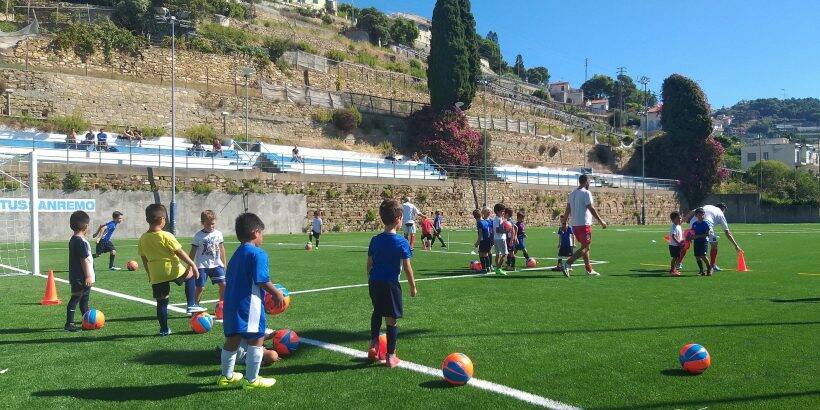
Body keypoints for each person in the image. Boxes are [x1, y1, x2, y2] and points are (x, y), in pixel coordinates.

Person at [218, 213, 286, 389]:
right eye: (262, 233)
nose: (262, 237)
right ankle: (252, 380)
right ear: (256, 232)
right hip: (249, 305)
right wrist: (277, 293)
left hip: (231, 305)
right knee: (256, 339)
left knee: (232, 339)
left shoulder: (236, 254)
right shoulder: (258, 253)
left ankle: (226, 376)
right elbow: (261, 280)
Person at [138, 204, 204, 336]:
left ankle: (164, 329)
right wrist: (192, 264)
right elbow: (179, 252)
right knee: (190, 276)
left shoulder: (143, 238)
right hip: (172, 269)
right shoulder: (166, 235)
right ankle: (191, 304)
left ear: (147, 220)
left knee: (162, 302)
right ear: (163, 219)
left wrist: (149, 274)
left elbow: (144, 259)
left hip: (156, 274)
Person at [366, 199, 417, 368]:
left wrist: (371, 279)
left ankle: (373, 343)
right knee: (391, 320)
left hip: (374, 282)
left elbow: (369, 264)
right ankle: (390, 356)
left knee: (377, 311)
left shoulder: (375, 240)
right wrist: (412, 286)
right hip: (391, 284)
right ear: (398, 219)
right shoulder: (402, 242)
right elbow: (408, 268)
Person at [561, 174, 608, 277]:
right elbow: (591, 208)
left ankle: (589, 270)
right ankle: (568, 263)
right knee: (586, 247)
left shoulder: (572, 193)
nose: (589, 183)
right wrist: (601, 221)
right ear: (586, 182)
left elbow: (567, 209)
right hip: (584, 224)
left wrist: (564, 223)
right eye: (589, 182)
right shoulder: (586, 193)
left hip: (575, 226)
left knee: (584, 246)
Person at [684, 203, 742, 272]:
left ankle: (678, 264)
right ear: (722, 209)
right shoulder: (720, 213)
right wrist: (736, 245)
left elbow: (694, 210)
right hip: (706, 225)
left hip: (693, 223)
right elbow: (727, 232)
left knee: (690, 242)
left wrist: (685, 219)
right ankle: (712, 265)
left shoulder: (709, 206)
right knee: (714, 245)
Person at [190, 210, 227, 310]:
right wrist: (190, 265)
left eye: (213, 223)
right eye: (208, 224)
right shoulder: (198, 236)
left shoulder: (219, 234)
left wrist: (224, 263)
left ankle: (221, 306)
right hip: (202, 266)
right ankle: (195, 306)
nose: (211, 226)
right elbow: (193, 251)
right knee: (200, 287)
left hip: (216, 264)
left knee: (223, 284)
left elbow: (222, 248)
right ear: (203, 223)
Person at [65, 210, 94, 332]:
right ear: (86, 226)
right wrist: (88, 276)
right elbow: (83, 260)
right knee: (76, 298)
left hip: (78, 276)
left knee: (84, 299)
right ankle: (69, 324)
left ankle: (86, 321)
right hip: (80, 277)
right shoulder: (80, 241)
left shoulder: (74, 239)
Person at [691, 208, 712, 276]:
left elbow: (707, 234)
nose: (701, 215)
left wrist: (697, 236)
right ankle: (701, 271)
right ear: (696, 215)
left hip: (703, 242)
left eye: (703, 214)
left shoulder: (705, 223)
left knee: (703, 256)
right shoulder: (694, 224)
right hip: (696, 242)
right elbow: (692, 233)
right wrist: (690, 237)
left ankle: (709, 269)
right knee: (697, 256)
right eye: (700, 214)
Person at [473, 209, 493, 273]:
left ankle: (484, 269)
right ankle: (488, 267)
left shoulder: (479, 223)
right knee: (485, 254)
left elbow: (480, 234)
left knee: (482, 254)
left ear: (475, 217)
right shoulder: (485, 221)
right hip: (488, 240)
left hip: (483, 241)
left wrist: (477, 242)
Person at [491, 203, 508, 276]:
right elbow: (498, 230)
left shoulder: (496, 219)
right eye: (502, 211)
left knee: (498, 254)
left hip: (496, 238)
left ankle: (497, 268)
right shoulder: (498, 220)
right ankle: (498, 268)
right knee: (505, 254)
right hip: (501, 239)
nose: (503, 212)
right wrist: (506, 230)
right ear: (498, 212)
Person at [668, 211, 684, 277]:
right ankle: (672, 270)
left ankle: (674, 269)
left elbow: (679, 235)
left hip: (678, 245)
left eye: (680, 218)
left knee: (678, 257)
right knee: (674, 258)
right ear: (673, 219)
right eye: (678, 218)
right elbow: (673, 236)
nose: (680, 219)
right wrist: (678, 242)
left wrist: (683, 240)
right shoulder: (673, 227)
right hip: (674, 245)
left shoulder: (678, 226)